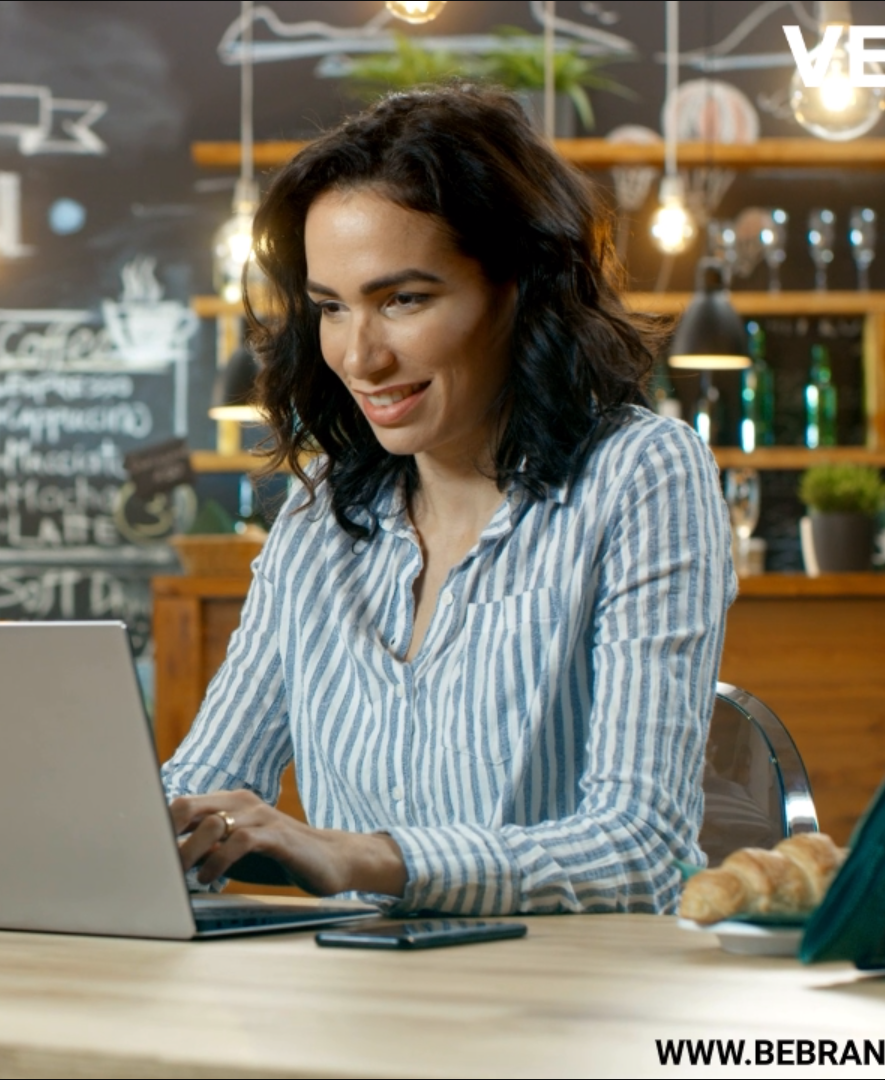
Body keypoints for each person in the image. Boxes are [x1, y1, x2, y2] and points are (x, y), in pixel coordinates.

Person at [162, 85, 735, 915]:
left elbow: (638, 846)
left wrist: (360, 856)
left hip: (563, 1008)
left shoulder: (642, 474)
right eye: (330, 307)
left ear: (519, 288)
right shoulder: (323, 515)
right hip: (356, 1001)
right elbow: (206, 785)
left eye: (404, 300)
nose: (359, 356)